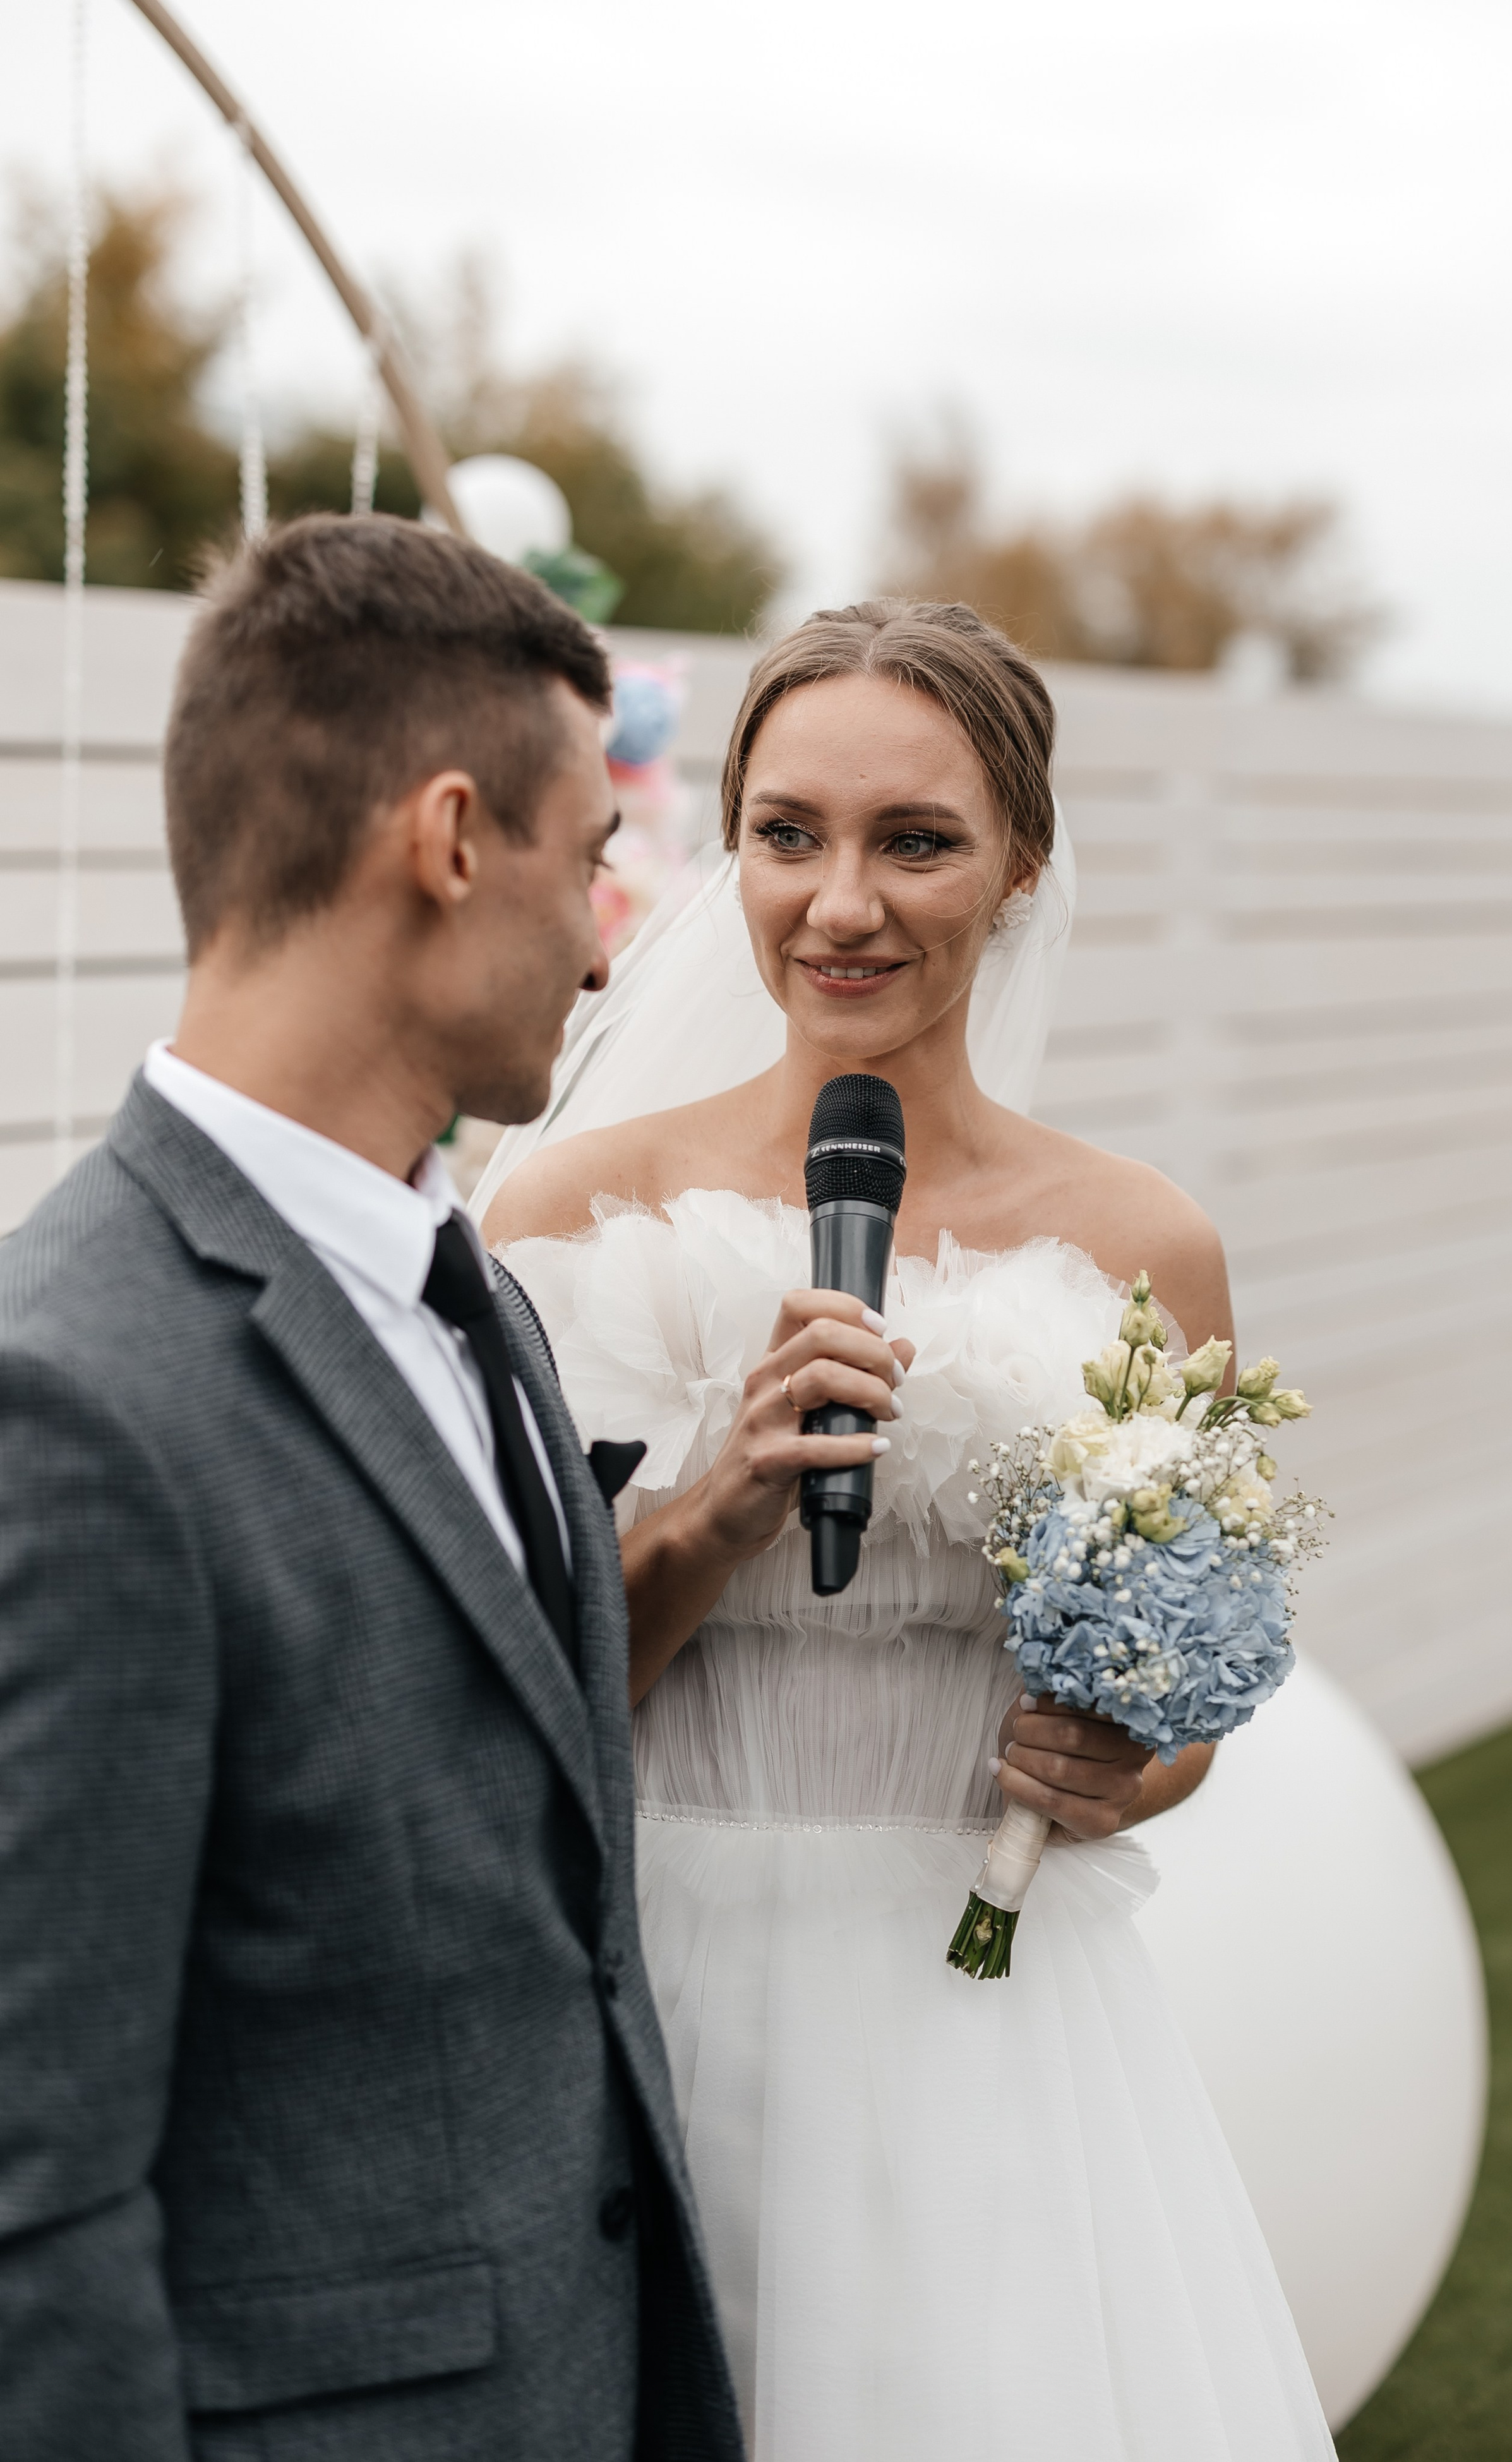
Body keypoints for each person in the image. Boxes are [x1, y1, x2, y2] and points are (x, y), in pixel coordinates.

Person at [480, 600, 1338, 2459]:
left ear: (1021, 865)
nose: (840, 902)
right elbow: (501, 1693)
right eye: (789, 834)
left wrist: (1129, 1763)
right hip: (655, 1990)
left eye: (915, 840)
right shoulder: (567, 1206)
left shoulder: (1145, 1243)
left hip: (989, 2002)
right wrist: (717, 1511)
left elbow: (1182, 1697)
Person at [0, 515, 743, 2462]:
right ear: (446, 838)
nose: (607, 940)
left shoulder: (469, 1279)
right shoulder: (68, 1393)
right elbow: (32, 2186)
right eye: (591, 860)